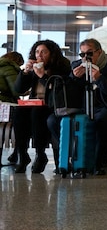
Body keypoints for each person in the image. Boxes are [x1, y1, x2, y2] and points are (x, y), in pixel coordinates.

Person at [47, 38, 107, 175]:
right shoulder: (76, 66)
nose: (86, 58)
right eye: (82, 54)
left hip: (106, 106)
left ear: (99, 52)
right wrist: (73, 77)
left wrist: (100, 79)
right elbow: (68, 93)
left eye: (89, 54)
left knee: (102, 119)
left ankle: (99, 162)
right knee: (53, 120)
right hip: (80, 107)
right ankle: (66, 160)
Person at [13, 40, 71, 173]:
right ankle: (23, 155)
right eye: (37, 52)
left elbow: (59, 92)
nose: (39, 55)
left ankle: (40, 154)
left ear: (52, 54)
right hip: (35, 103)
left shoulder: (62, 67)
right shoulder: (34, 67)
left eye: (44, 52)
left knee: (37, 112)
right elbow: (18, 89)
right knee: (19, 112)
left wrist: (43, 76)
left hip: (53, 106)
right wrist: (25, 73)